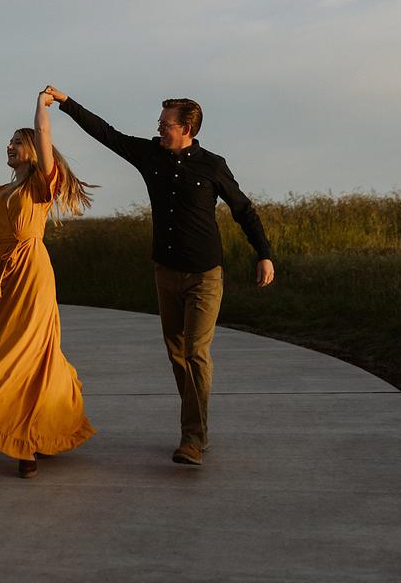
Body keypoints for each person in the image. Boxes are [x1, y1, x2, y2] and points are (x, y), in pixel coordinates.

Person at [43, 85, 274, 467]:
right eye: (159, 122)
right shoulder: (150, 155)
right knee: (178, 355)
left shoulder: (212, 165)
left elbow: (244, 210)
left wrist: (264, 255)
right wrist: (66, 103)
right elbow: (107, 134)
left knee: (197, 354)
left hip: (205, 275)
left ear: (187, 128)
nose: (159, 128)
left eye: (166, 124)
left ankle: (192, 439)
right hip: (165, 272)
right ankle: (197, 426)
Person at [0, 90, 99, 478]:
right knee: (14, 351)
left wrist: (42, 107)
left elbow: (45, 136)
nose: (9, 146)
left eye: (16, 141)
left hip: (34, 273)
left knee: (26, 352)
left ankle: (24, 443)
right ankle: (44, 425)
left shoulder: (42, 184)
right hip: (7, 277)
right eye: (9, 142)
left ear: (30, 148)